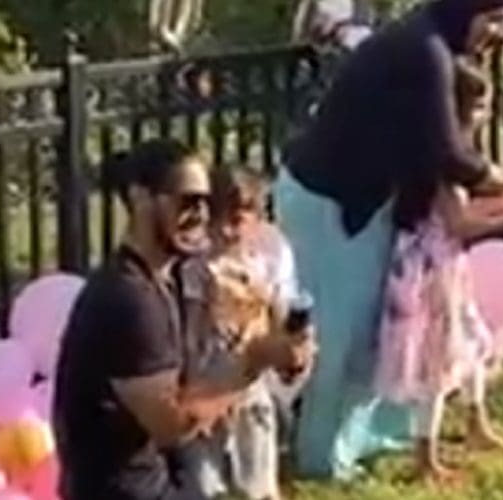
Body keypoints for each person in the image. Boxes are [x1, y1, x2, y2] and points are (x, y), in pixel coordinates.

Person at [277, 0, 503, 478]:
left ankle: (352, 442)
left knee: (369, 335)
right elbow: (452, 157)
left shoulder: (429, 46)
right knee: (340, 337)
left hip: (366, 202)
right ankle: (320, 456)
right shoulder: (422, 50)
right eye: (495, 18)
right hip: (329, 202)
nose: (500, 32)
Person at [52, 139, 315, 500]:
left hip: (169, 479)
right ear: (141, 200)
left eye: (208, 202)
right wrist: (253, 363)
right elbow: (173, 423)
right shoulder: (127, 299)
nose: (202, 215)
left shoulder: (180, 275)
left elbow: (198, 378)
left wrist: (286, 354)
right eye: (188, 201)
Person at [374, 57, 503, 484]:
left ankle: (476, 423)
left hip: (443, 261)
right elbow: (458, 223)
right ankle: (425, 455)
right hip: (431, 269)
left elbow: (458, 212)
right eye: (481, 106)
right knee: (438, 360)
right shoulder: (441, 162)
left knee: (475, 341)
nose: (487, 115)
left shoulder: (445, 157)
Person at [181, 166, 312, 500]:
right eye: (221, 218)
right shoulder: (198, 270)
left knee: (257, 478)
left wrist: (293, 346)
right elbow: (191, 330)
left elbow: (276, 321)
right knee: (205, 483)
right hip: (209, 386)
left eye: (241, 219)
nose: (230, 229)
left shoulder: (261, 268)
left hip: (251, 388)